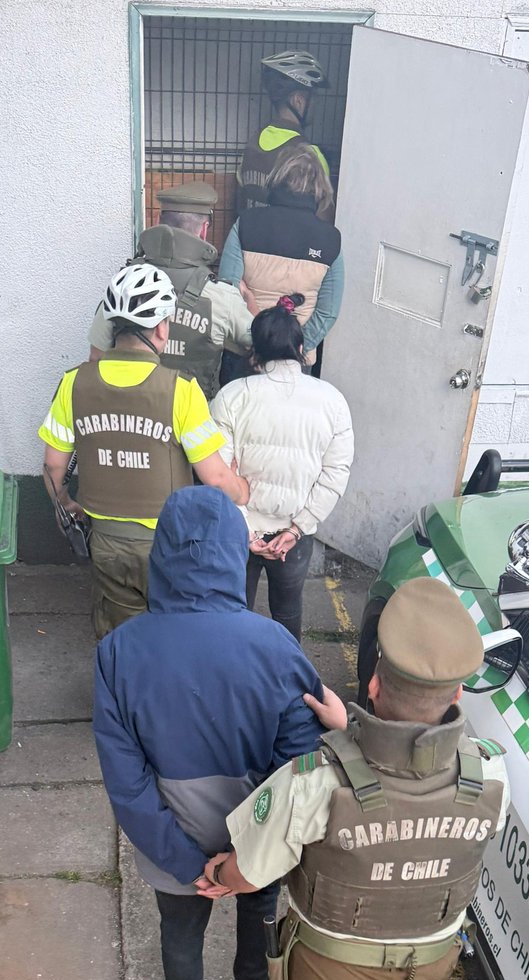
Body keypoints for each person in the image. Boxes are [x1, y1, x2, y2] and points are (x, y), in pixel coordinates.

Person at [199, 577, 511, 980]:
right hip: (431, 956)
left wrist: (218, 877)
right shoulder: (490, 771)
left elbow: (252, 867)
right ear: (455, 692)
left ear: (372, 683)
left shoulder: (317, 777)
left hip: (334, 966)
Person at [92, 485, 345, 980]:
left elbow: (126, 783)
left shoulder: (118, 651)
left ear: (161, 556)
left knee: (179, 930)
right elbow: (299, 761)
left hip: (172, 843)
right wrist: (249, 851)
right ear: (237, 554)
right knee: (259, 914)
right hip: (258, 838)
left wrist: (189, 864)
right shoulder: (276, 644)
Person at [39, 264, 248, 638]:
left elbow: (53, 465)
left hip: (105, 539)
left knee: (119, 638)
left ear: (113, 327)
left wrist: (66, 506)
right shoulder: (181, 391)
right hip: (171, 544)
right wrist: (242, 490)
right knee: (172, 635)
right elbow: (215, 479)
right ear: (162, 328)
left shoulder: (74, 384)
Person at [210, 296, 353, 641]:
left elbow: (217, 472)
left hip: (237, 533)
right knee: (287, 612)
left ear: (253, 351)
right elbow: (335, 474)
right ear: (301, 348)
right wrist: (297, 529)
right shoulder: (332, 400)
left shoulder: (232, 396)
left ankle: (231, 685)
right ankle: (288, 684)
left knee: (232, 613)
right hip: (294, 535)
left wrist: (246, 531)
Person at [87, 182, 253, 399]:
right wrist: (251, 301)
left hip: (134, 420)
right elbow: (261, 346)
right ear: (203, 231)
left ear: (158, 223)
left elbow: (96, 358)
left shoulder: (125, 289)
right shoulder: (223, 296)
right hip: (196, 425)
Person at [220, 143, 344, 371]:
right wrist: (295, 348)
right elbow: (328, 312)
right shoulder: (330, 239)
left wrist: (258, 346)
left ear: (276, 178)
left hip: (245, 354)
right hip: (296, 359)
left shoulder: (247, 223)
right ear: (320, 187)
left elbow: (228, 290)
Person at [237, 50, 334, 220]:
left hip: (248, 242)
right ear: (298, 100)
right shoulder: (311, 156)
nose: (316, 104)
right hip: (289, 245)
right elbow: (323, 221)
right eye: (314, 97)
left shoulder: (252, 144)